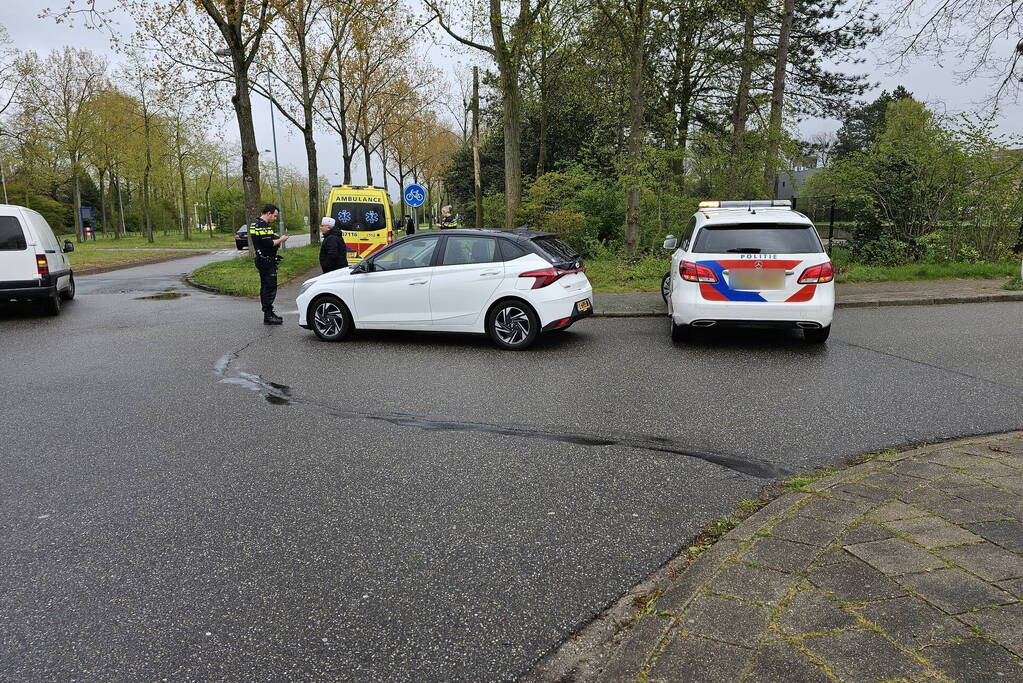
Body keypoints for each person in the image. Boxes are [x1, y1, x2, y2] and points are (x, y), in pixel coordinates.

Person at [250, 203, 289, 325]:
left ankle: (268, 313)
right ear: (268, 213)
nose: (275, 218)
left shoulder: (255, 224)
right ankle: (268, 315)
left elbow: (268, 238)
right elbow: (268, 243)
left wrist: (276, 238)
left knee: (265, 287)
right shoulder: (262, 226)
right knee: (270, 288)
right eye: (275, 216)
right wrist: (281, 240)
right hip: (266, 261)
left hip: (263, 260)